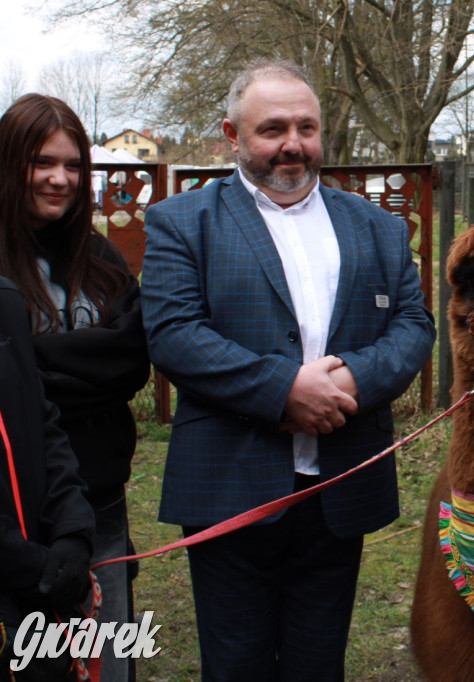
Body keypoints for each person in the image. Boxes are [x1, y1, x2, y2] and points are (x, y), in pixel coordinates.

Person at [141, 59, 436, 679]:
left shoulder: (377, 227)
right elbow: (174, 334)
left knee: (317, 663)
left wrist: (352, 379)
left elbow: (414, 326)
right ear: (232, 135)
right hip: (231, 484)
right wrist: (284, 390)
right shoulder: (182, 222)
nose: (293, 144)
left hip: (340, 484)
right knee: (237, 664)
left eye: (306, 126)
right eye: (272, 128)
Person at [0, 93, 150, 682]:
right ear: (11, 163)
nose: (60, 180)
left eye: (72, 165)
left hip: (102, 507)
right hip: (17, 523)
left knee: (109, 667)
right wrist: (51, 376)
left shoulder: (102, 258)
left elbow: (132, 360)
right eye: (43, 163)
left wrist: (32, 365)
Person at [0, 277, 96, 678]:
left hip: (39, 595)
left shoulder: (5, 301)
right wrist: (27, 563)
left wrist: (72, 528)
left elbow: (43, 422)